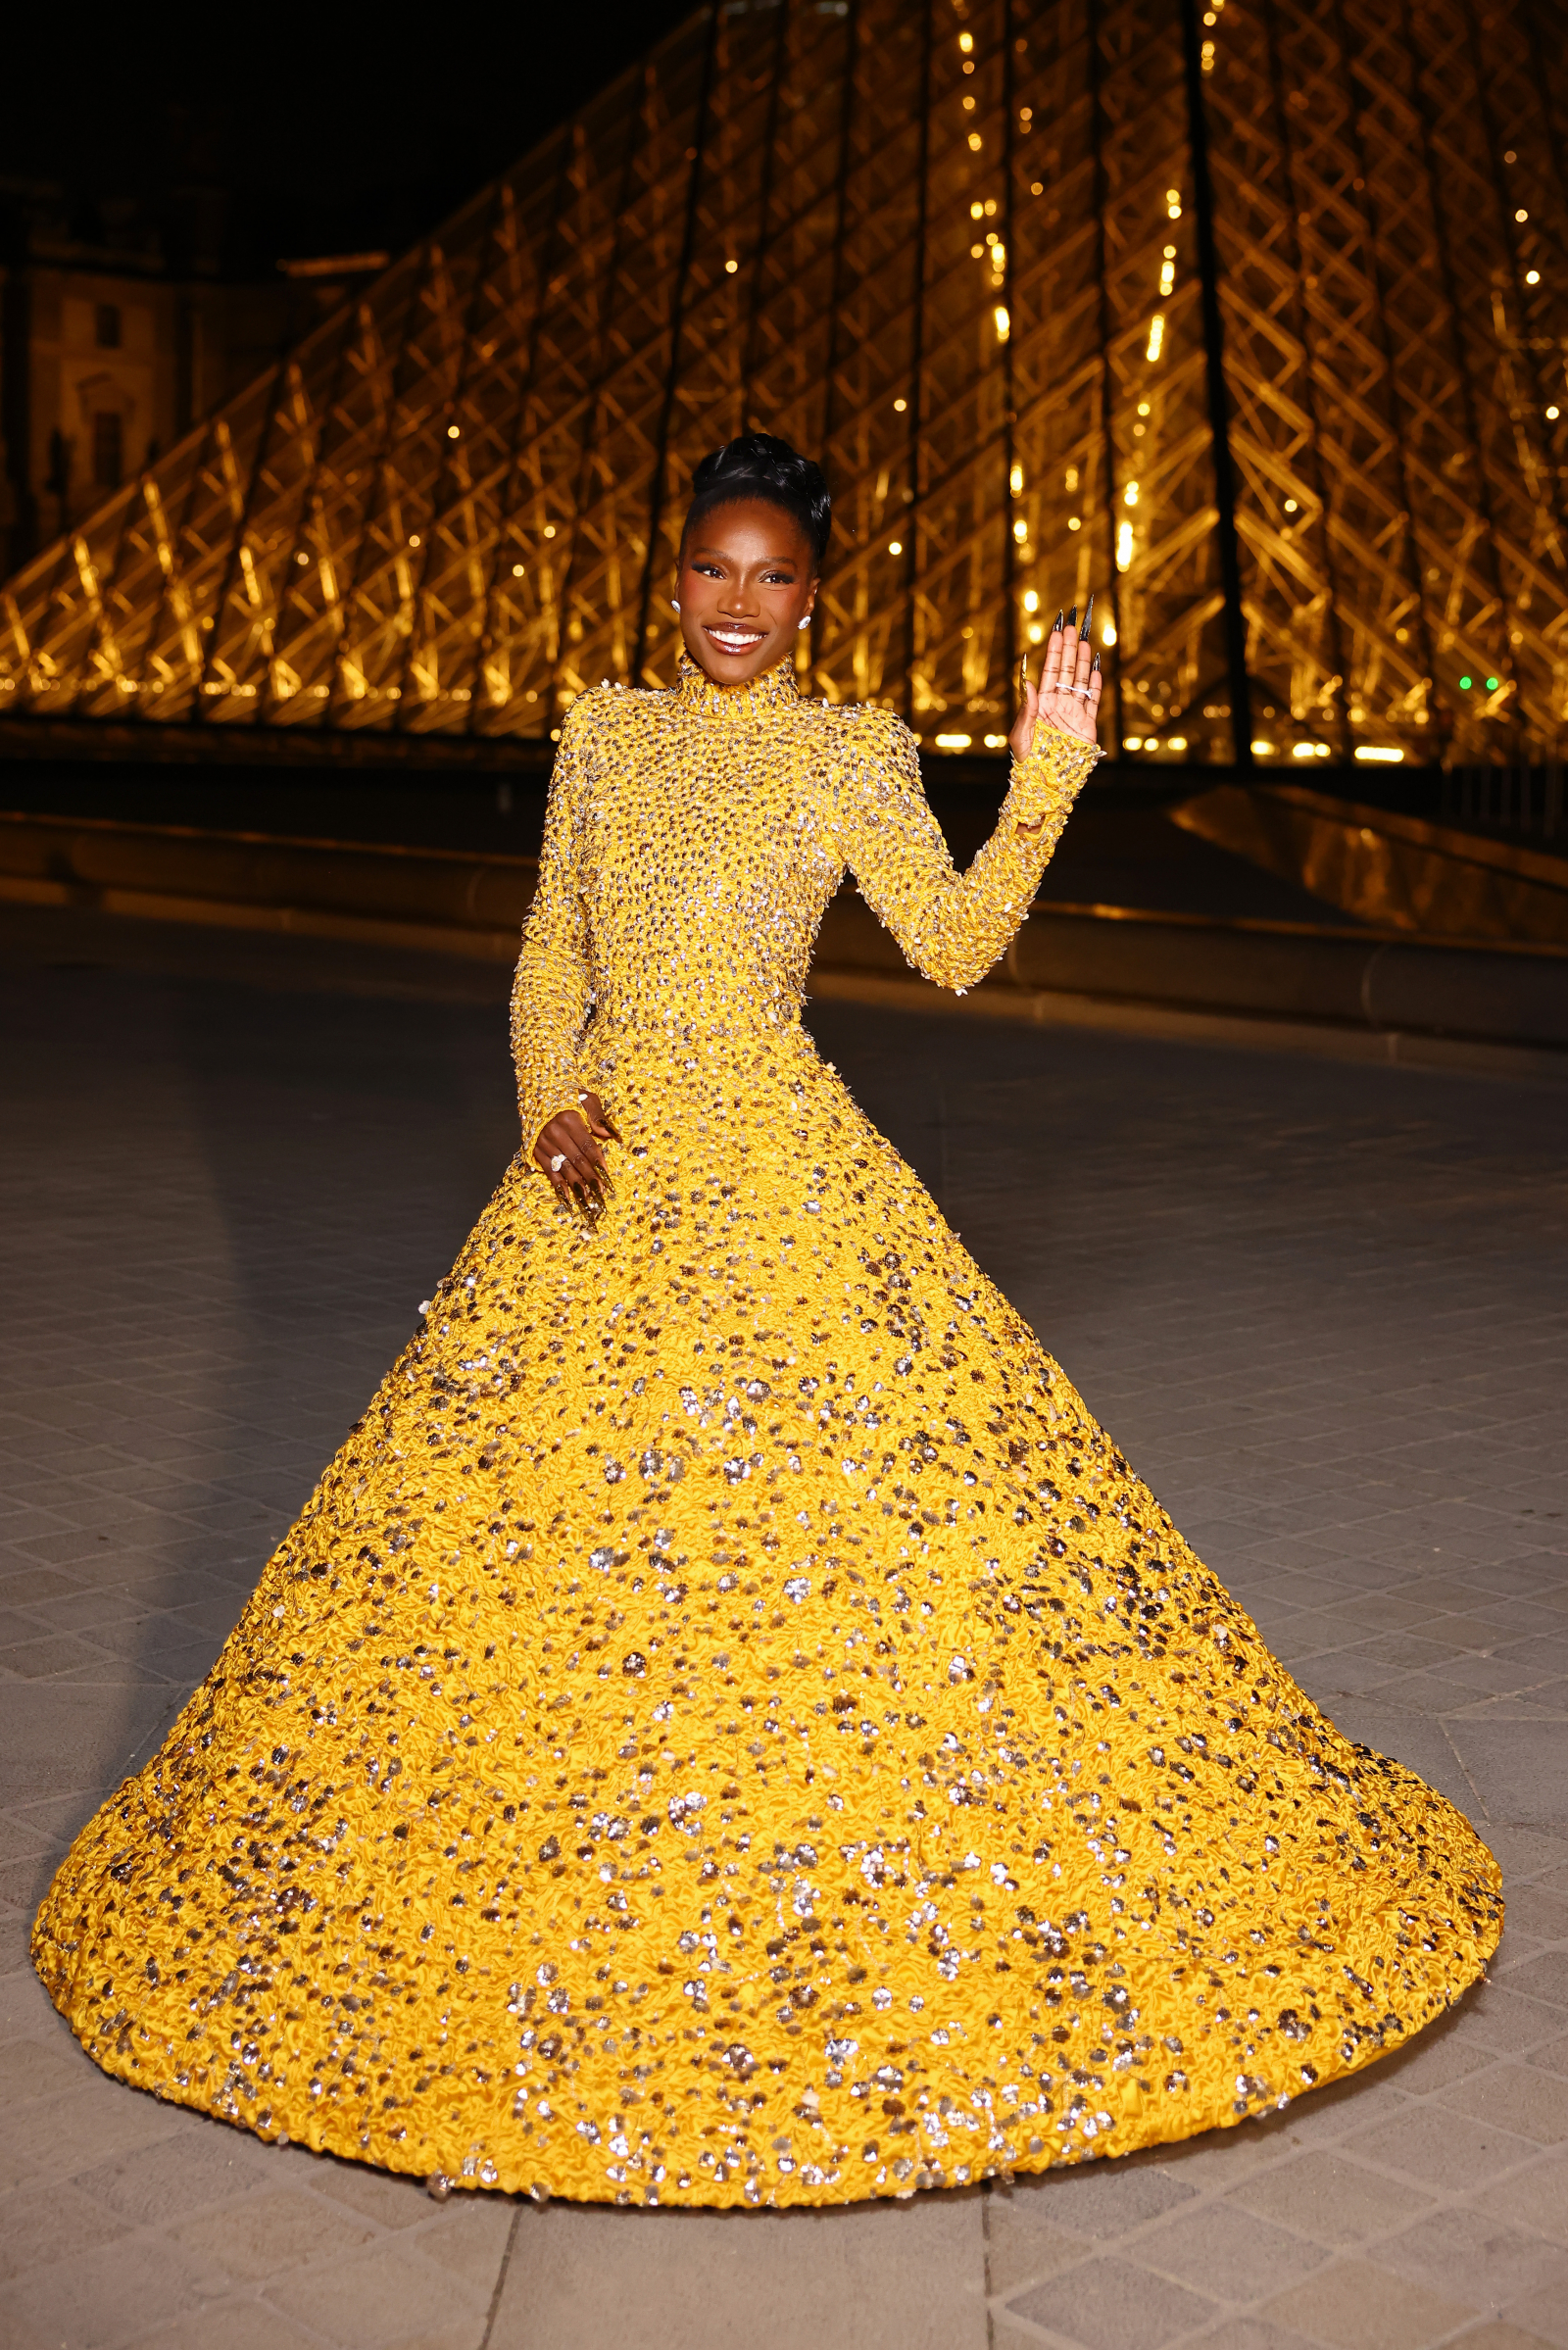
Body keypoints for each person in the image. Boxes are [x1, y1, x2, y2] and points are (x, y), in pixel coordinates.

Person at [34, 433, 1500, 2210]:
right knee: (525, 1547)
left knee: (842, 1535)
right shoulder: (603, 733)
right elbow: (549, 948)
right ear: (674, 578)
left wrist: (1046, 777)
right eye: (712, 571)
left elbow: (953, 943)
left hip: (783, 1174)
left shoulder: (846, 753)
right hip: (598, 1178)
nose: (739, 604)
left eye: (774, 576)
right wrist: (544, 1096)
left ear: (819, 593)